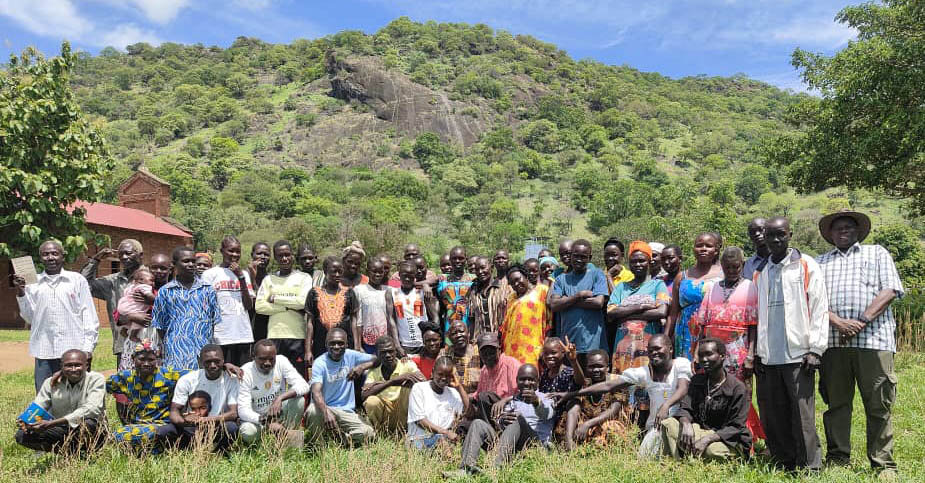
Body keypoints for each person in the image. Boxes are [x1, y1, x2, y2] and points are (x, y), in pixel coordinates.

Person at [816, 211, 904, 475]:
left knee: (878, 403)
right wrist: (839, 323)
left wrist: (861, 320)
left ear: (858, 231)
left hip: (874, 340)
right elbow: (813, 301)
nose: (843, 231)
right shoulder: (819, 263)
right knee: (837, 404)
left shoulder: (876, 253)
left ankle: (883, 464)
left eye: (848, 226)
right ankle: (838, 458)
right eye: (837, 228)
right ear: (830, 235)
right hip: (834, 342)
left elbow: (890, 290)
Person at [753, 216, 828, 471]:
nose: (775, 240)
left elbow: (819, 308)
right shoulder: (761, 272)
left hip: (799, 353)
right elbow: (759, 314)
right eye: (770, 235)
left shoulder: (806, 266)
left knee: (802, 415)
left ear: (790, 234)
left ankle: (810, 465)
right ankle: (784, 460)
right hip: (770, 355)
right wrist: (758, 353)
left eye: (780, 234)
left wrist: (816, 349)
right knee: (774, 413)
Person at [691, 246, 764, 441]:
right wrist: (698, 351)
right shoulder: (713, 287)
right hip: (712, 350)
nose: (731, 271)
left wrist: (751, 355)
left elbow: (753, 325)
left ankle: (743, 438)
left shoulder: (750, 286)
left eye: (736, 267)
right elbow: (703, 324)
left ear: (742, 265)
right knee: (714, 389)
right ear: (721, 266)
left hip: (738, 350)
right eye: (727, 267)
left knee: (740, 392)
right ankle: (715, 431)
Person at [14, 240, 99, 393]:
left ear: (62, 256)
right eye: (45, 254)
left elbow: (88, 315)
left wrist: (87, 349)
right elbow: (30, 318)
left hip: (72, 351)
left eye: (55, 253)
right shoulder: (33, 284)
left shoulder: (77, 280)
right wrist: (21, 293)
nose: (50, 257)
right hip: (43, 350)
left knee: (74, 396)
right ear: (40, 258)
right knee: (45, 396)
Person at [446, 364, 555, 477]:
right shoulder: (513, 401)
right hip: (512, 448)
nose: (527, 383)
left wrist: (536, 402)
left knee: (518, 419)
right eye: (523, 379)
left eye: (531, 379)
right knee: (478, 424)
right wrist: (502, 421)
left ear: (538, 381)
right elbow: (506, 430)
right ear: (517, 381)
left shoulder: (545, 398)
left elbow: (547, 414)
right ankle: (465, 468)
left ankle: (495, 469)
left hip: (535, 446)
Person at [607, 241, 671, 427]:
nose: (638, 265)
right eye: (634, 261)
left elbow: (661, 312)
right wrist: (641, 307)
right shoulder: (621, 288)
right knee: (623, 385)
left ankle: (643, 428)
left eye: (642, 261)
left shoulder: (657, 286)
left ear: (649, 262)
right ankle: (622, 428)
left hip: (647, 348)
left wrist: (625, 311)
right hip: (623, 346)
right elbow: (611, 314)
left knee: (645, 384)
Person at [659, 338, 751, 460]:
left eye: (709, 354)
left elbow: (736, 427)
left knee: (712, 452)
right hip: (700, 431)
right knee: (669, 424)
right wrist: (686, 424)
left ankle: (696, 457)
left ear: (722, 356)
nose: (704, 359)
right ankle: (677, 462)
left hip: (726, 438)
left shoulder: (738, 389)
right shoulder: (698, 380)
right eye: (701, 356)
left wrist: (707, 439)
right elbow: (686, 408)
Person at [15, 349, 105, 453]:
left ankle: (89, 451)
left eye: (78, 365)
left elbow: (92, 409)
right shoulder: (51, 382)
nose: (73, 369)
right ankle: (68, 452)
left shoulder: (96, 379)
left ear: (87, 365)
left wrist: (52, 423)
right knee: (22, 435)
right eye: (68, 365)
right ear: (61, 366)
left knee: (88, 424)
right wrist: (26, 421)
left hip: (93, 430)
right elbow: (38, 406)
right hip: (61, 429)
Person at [106, 340, 189, 449]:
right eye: (141, 359)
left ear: (157, 360)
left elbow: (196, 376)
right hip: (137, 425)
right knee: (117, 435)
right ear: (133, 359)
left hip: (163, 424)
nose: (146, 364)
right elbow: (105, 387)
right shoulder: (125, 377)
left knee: (158, 434)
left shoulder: (168, 375)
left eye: (151, 360)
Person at [152, 247, 222, 370]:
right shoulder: (165, 292)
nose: (191, 264)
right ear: (174, 264)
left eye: (193, 261)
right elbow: (161, 326)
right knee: (178, 386)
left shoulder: (207, 289)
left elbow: (213, 322)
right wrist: (177, 340)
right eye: (186, 261)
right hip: (176, 353)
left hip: (204, 352)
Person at [305, 328, 378, 446]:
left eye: (340, 343)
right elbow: (316, 392)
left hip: (346, 411)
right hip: (324, 409)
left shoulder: (351, 355)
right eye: (332, 343)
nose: (336, 347)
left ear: (347, 345)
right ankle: (320, 446)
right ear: (326, 345)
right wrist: (326, 412)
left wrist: (362, 367)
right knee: (313, 410)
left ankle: (341, 440)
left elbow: (377, 359)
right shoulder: (320, 363)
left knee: (368, 433)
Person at [254, 240, 313, 375]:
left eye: (287, 254)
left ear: (292, 255)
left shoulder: (304, 278)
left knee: (297, 376)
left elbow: (302, 302)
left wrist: (275, 299)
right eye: (280, 256)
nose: (284, 258)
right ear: (275, 257)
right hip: (274, 336)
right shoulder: (268, 279)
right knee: (275, 377)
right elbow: (259, 306)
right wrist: (286, 308)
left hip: (297, 336)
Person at [81, 239, 144, 363]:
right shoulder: (113, 281)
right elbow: (82, 284)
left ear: (140, 255)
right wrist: (96, 260)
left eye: (128, 253)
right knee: (125, 381)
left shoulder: (152, 277)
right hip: (123, 343)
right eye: (121, 254)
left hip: (149, 342)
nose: (124, 257)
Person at [165, 344, 239, 451]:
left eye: (217, 361)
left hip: (217, 426)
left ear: (223, 361)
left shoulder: (231, 380)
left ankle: (218, 452)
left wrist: (205, 420)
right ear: (200, 362)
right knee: (165, 431)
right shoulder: (187, 380)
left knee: (232, 428)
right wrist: (185, 421)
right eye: (208, 362)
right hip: (191, 427)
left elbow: (233, 413)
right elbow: (174, 412)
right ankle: (188, 449)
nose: (213, 365)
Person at [553, 350, 629, 450]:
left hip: (606, 421)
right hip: (586, 422)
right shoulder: (584, 383)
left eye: (600, 366)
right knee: (572, 407)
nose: (596, 370)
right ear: (586, 368)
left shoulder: (617, 382)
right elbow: (573, 408)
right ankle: (569, 443)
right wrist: (569, 438)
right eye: (592, 367)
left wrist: (587, 424)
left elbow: (613, 411)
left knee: (610, 427)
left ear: (608, 367)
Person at [237, 340, 309, 446]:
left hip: (279, 416)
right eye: (262, 359)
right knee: (247, 432)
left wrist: (280, 398)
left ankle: (288, 440)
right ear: (253, 356)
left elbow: (304, 386)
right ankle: (262, 446)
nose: (267, 363)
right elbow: (243, 411)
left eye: (271, 359)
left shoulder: (281, 361)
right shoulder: (245, 372)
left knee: (298, 401)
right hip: (258, 420)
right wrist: (266, 422)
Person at [549, 239, 609, 363]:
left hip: (593, 343)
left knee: (593, 380)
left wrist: (566, 301)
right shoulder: (561, 279)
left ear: (590, 258)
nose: (579, 260)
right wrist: (579, 295)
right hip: (568, 343)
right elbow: (554, 305)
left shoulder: (597, 275)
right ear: (571, 256)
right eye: (576, 256)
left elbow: (598, 303)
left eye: (583, 257)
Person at [668, 232, 723, 361]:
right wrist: (666, 338)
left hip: (712, 332)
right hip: (685, 333)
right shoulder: (682, 277)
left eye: (708, 246)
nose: (703, 248)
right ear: (694, 249)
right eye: (699, 245)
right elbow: (673, 313)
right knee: (685, 373)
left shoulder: (723, 276)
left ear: (716, 250)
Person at [202, 235, 255, 366]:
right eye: (231, 250)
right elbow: (205, 305)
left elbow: (248, 305)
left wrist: (241, 277)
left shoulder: (244, 274)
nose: (234, 254)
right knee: (221, 373)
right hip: (221, 334)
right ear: (222, 251)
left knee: (242, 374)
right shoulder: (210, 274)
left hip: (242, 334)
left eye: (238, 251)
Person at [362, 336, 425, 433]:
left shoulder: (407, 364)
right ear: (377, 354)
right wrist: (393, 382)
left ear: (396, 352)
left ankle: (408, 431)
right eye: (383, 352)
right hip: (384, 413)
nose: (388, 355)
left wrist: (379, 384)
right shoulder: (374, 371)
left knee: (409, 389)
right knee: (371, 401)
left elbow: (423, 382)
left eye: (390, 351)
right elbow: (364, 395)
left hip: (403, 412)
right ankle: (379, 434)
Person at [407, 357, 469, 449]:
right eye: (440, 374)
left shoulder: (453, 393)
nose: (444, 378)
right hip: (421, 439)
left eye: (448, 375)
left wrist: (459, 387)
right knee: (442, 443)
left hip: (445, 439)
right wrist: (445, 432)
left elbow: (468, 412)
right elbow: (420, 421)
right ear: (432, 372)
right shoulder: (419, 388)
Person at [305, 256, 360, 360]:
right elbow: (310, 323)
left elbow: (354, 321)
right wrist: (308, 350)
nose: (337, 275)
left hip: (345, 346)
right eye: (334, 271)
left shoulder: (349, 293)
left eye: (340, 271)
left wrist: (356, 346)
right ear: (325, 271)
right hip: (320, 346)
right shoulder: (314, 293)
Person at [500, 265, 550, 366]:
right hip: (511, 350)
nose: (516, 284)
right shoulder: (511, 298)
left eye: (518, 279)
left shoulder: (542, 291)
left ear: (526, 276)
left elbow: (550, 321)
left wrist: (546, 346)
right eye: (512, 283)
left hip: (534, 347)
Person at [386, 261, 438, 356]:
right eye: (404, 275)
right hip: (404, 344)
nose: (407, 278)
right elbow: (391, 319)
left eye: (410, 275)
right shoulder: (392, 292)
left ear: (415, 275)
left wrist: (432, 337)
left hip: (423, 345)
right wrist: (397, 345)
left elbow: (435, 316)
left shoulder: (423, 291)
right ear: (399, 275)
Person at [470, 333, 521, 421]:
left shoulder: (512, 364)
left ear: (499, 350)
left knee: (484, 397)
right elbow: (477, 395)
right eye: (484, 353)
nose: (488, 357)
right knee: (463, 426)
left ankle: (489, 430)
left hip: (511, 411)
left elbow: (524, 394)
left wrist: (504, 401)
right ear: (479, 354)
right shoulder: (484, 370)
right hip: (492, 414)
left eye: (492, 352)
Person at [437, 247, 475, 342]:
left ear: (466, 259)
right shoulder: (442, 279)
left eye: (461, 258)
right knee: (450, 353)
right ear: (450, 260)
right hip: (449, 324)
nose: (457, 261)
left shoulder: (474, 279)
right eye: (454, 258)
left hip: (470, 325)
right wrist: (425, 285)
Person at [467, 256, 508, 340]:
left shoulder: (504, 288)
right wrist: (471, 339)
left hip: (501, 339)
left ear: (492, 268)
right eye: (477, 269)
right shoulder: (473, 291)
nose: (480, 272)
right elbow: (472, 319)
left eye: (483, 268)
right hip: (480, 341)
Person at [354, 258, 389, 354]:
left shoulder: (388, 291)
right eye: (374, 271)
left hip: (386, 342)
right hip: (367, 342)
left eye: (380, 272)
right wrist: (358, 345)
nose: (377, 275)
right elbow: (358, 319)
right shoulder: (360, 290)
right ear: (367, 271)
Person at [439, 320, 481, 396]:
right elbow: (436, 380)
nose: (458, 335)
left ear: (468, 334)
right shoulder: (443, 354)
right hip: (451, 400)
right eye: (454, 333)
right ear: (449, 337)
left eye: (461, 331)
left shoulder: (478, 352)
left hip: (475, 399)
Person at [247, 242, 272, 340]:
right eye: (259, 253)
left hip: (265, 328)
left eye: (266, 255)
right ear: (252, 255)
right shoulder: (242, 276)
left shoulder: (272, 279)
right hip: (246, 327)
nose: (263, 257)